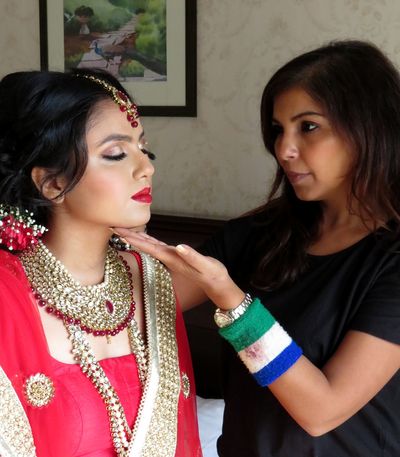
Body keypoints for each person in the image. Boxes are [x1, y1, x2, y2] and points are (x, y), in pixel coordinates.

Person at [115, 40, 400, 457]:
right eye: (278, 129)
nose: (284, 149)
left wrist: (230, 299)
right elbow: (129, 305)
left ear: (368, 126)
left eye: (308, 126)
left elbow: (321, 411)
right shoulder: (260, 234)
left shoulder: (390, 261)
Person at [0, 68, 202, 457]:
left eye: (146, 149)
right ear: (52, 184)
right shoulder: (8, 297)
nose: (147, 168)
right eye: (115, 154)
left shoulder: (150, 279)